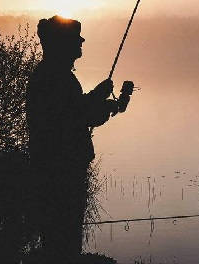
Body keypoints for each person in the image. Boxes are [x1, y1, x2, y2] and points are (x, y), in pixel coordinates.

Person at [26, 15, 120, 260]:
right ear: (62, 44)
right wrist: (102, 106)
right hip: (61, 171)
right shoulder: (55, 77)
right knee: (63, 239)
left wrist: (98, 96)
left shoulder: (52, 75)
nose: (82, 42)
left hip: (56, 168)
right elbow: (74, 118)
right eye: (76, 39)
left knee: (59, 238)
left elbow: (74, 110)